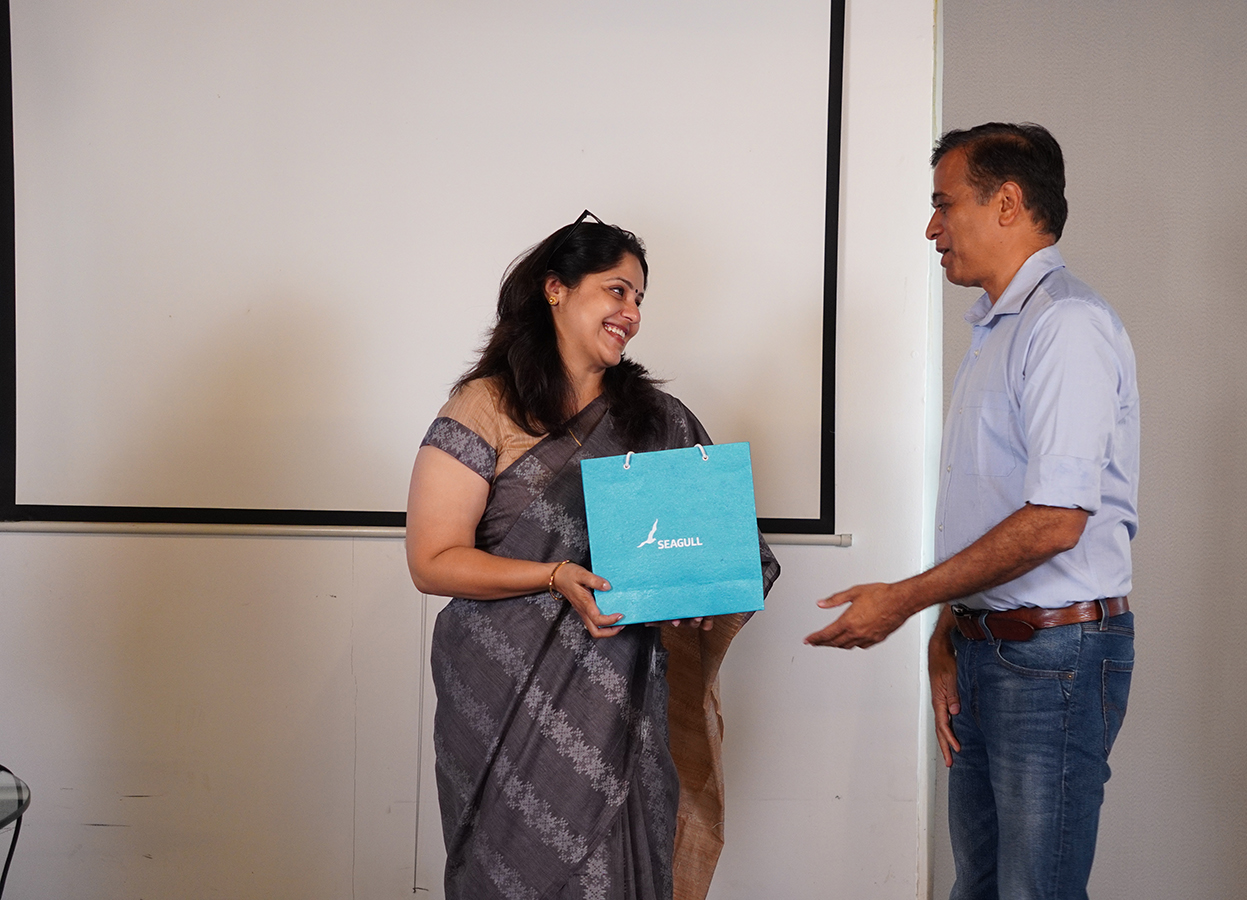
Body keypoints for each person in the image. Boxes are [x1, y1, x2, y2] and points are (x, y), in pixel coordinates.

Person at [805, 123, 1138, 899]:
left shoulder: (1065, 325)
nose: (932, 228)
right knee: (980, 889)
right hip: (992, 650)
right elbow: (996, 510)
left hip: (1052, 661)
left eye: (944, 204)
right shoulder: (999, 328)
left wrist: (905, 600)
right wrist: (951, 627)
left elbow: (1056, 521)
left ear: (1007, 204)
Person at [406, 212, 780, 900]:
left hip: (621, 699)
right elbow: (432, 560)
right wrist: (553, 576)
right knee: (510, 870)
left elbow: (724, 552)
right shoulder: (485, 406)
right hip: (501, 694)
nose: (631, 312)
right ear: (556, 288)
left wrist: (702, 594)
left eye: (639, 298)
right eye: (616, 290)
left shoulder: (658, 420)